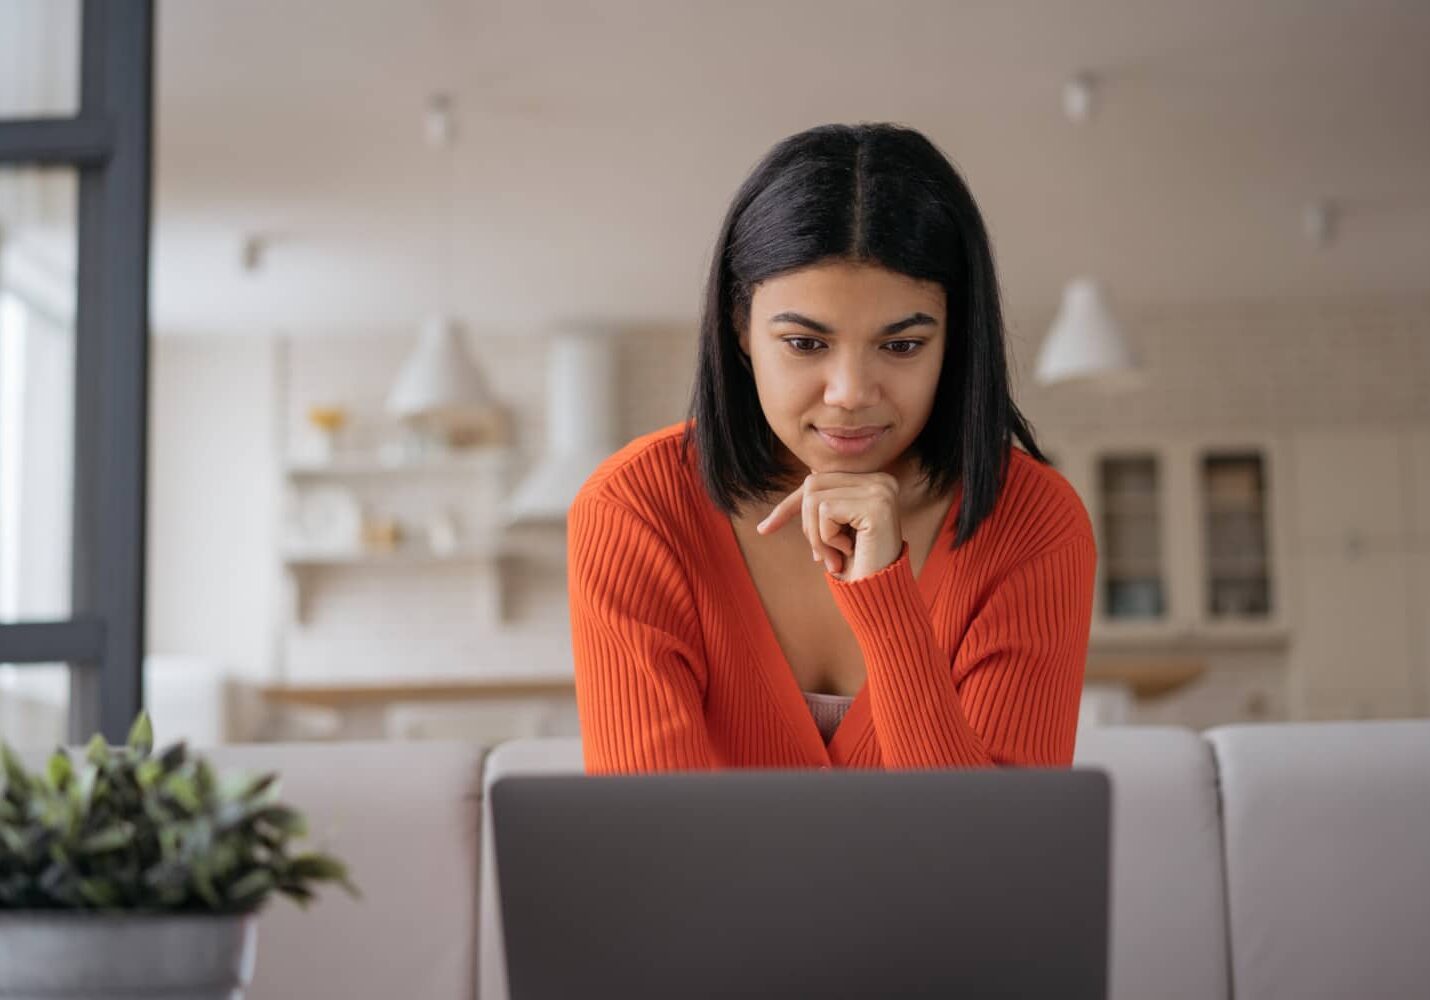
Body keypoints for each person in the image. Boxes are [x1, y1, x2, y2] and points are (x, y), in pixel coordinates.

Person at [566, 122, 1096, 774]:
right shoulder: (636, 509)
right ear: (741, 328)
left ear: (955, 339)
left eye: (901, 345)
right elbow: (653, 850)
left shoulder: (1033, 523)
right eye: (805, 343)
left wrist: (885, 599)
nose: (850, 393)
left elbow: (995, 860)